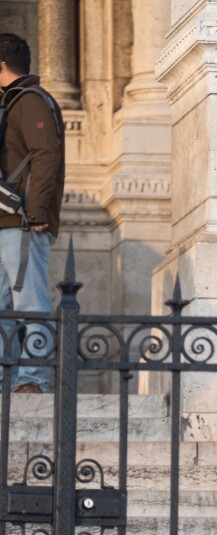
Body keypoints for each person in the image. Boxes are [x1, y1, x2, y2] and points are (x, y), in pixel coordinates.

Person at [0, 33, 65, 393]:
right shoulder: (12, 102)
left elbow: (46, 154)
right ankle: (5, 378)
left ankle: (32, 380)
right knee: (3, 307)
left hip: (24, 221)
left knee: (30, 300)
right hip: (7, 221)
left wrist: (37, 209)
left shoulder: (30, 101)